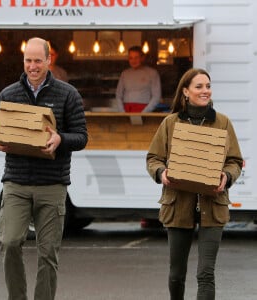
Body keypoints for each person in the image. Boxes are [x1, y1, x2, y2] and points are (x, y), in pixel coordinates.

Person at [0, 37, 88, 300]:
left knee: (48, 254)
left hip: (52, 186)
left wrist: (60, 139)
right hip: (16, 184)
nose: (32, 66)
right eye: (28, 60)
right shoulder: (8, 94)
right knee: (9, 243)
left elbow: (81, 136)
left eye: (37, 61)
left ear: (48, 60)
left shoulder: (68, 94)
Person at [146, 68, 243, 300]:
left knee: (206, 274)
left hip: (213, 205)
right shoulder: (170, 123)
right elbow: (153, 158)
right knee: (176, 274)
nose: (205, 91)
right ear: (186, 92)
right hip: (178, 205)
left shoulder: (223, 122)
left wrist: (227, 177)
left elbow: (235, 161)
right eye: (199, 86)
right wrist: (161, 173)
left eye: (208, 86)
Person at [116, 45, 162, 113]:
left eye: (136, 57)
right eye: (131, 58)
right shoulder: (125, 73)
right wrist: (122, 112)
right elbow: (118, 94)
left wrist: (144, 112)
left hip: (145, 109)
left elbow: (156, 96)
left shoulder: (152, 73)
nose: (133, 60)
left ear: (142, 58)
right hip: (126, 110)